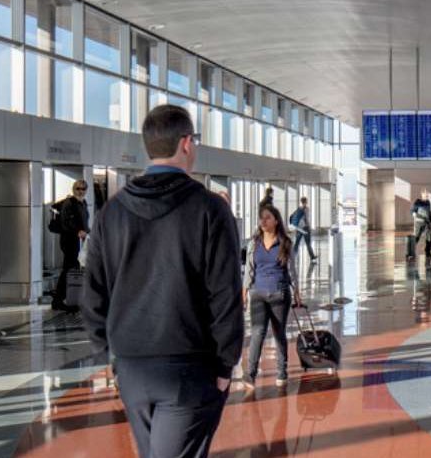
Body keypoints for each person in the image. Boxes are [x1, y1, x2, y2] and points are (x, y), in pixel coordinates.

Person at [81, 104, 244, 458]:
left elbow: (93, 294)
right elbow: (225, 295)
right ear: (186, 143)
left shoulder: (113, 212)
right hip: (191, 368)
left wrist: (108, 356)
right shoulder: (210, 210)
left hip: (132, 369)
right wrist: (225, 363)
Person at [241, 204, 301, 386]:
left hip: (279, 293)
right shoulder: (253, 243)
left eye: (267, 218)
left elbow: (292, 270)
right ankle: (250, 374)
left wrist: (297, 292)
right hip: (258, 293)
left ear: (276, 221)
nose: (263, 221)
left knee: (278, 332)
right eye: (261, 218)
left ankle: (281, 372)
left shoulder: (285, 243)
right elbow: (249, 270)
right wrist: (244, 292)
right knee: (258, 332)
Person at [49, 180, 91, 312]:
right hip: (70, 241)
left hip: (80, 241)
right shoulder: (69, 203)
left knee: (72, 268)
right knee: (68, 268)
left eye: (83, 189)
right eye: (78, 188)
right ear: (74, 189)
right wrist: (77, 231)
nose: (81, 191)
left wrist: (87, 232)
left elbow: (83, 222)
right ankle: (58, 300)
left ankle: (66, 298)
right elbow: (65, 222)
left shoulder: (82, 203)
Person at [407, 193, 431, 263]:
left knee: (429, 238)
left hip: (427, 223)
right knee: (416, 238)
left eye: (427, 195)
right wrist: (414, 214)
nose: (427, 196)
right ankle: (410, 254)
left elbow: (429, 212)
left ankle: (428, 254)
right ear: (422, 195)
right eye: (425, 195)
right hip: (419, 223)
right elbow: (413, 211)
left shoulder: (428, 202)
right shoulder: (418, 202)